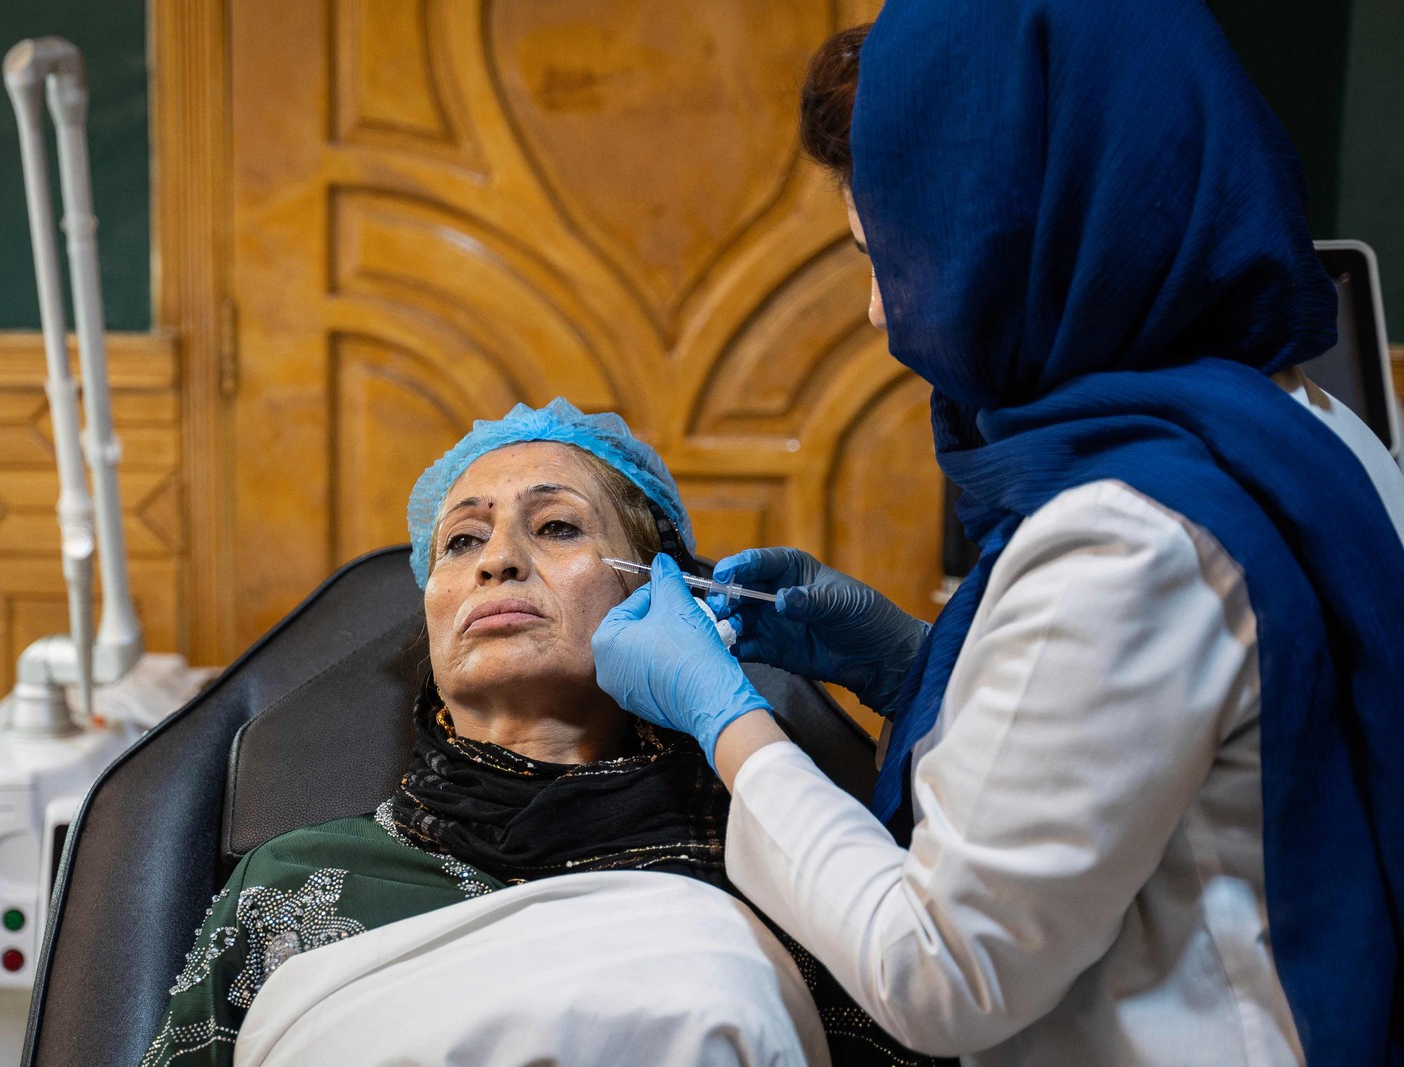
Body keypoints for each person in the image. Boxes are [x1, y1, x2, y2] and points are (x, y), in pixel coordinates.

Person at [591, 2, 1404, 1065]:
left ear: (1027, 236)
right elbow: (1147, 739)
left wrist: (728, 722)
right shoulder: (1303, 426)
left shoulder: (1128, 534)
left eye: (894, 255)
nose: (880, 311)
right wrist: (911, 663)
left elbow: (941, 971)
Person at [142, 399, 937, 1067]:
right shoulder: (289, 882)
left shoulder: (791, 869)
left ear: (659, 595)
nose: (498, 560)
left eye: (557, 526)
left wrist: (923, 676)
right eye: (461, 540)